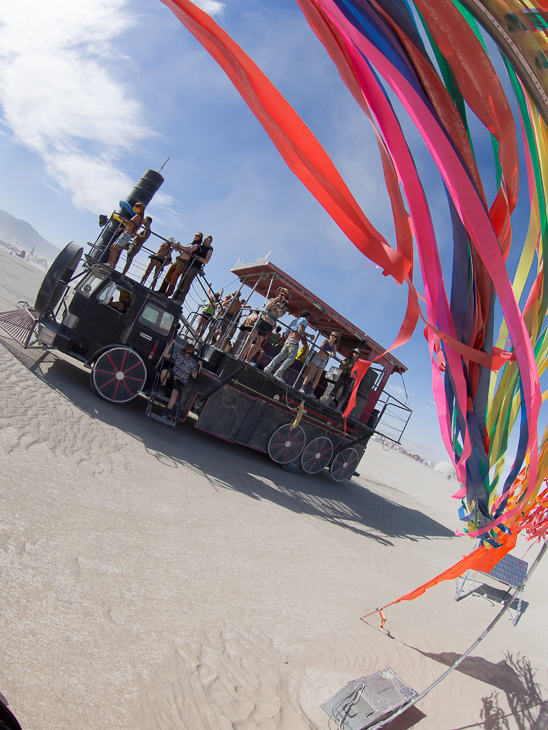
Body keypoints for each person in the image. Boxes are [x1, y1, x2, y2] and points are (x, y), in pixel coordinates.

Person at [242, 288, 290, 363]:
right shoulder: (272, 300)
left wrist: (281, 305)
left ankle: (249, 358)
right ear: (278, 294)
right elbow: (267, 307)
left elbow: (279, 315)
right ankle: (242, 353)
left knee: (259, 341)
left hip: (269, 324)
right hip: (263, 319)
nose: (282, 297)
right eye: (281, 295)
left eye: (284, 296)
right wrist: (276, 300)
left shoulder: (284, 307)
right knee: (252, 337)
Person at [264, 309, 311, 381]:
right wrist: (309, 335)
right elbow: (300, 331)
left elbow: (286, 331)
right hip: (294, 342)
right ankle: (279, 373)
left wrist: (286, 339)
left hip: (288, 340)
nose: (308, 320)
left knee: (280, 356)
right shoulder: (304, 320)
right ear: (307, 317)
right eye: (309, 318)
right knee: (291, 359)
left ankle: (268, 368)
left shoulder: (295, 321)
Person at [159, 340, 202, 419]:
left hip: (181, 380)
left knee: (175, 393)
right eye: (189, 350)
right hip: (173, 374)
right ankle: (162, 388)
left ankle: (167, 412)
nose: (190, 352)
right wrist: (171, 343)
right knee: (164, 372)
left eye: (192, 351)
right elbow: (166, 355)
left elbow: (194, 375)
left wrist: (200, 366)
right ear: (186, 350)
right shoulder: (179, 354)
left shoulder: (193, 363)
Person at [172, 234, 213, 304]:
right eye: (207, 239)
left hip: (195, 266)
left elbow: (206, 261)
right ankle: (174, 297)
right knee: (182, 281)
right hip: (188, 264)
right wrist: (179, 249)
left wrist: (197, 257)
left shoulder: (209, 249)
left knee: (187, 283)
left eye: (210, 240)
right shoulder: (199, 246)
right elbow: (189, 250)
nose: (208, 241)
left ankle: (180, 300)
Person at [158, 233, 203, 297]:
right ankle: (162, 290)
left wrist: (179, 245)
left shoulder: (197, 246)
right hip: (178, 260)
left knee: (174, 276)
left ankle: (168, 293)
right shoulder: (190, 244)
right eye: (196, 235)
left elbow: (188, 250)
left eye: (199, 236)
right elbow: (184, 251)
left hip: (184, 263)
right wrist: (178, 249)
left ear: (200, 238)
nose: (196, 237)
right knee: (168, 274)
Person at [107, 202, 145, 268]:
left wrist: (121, 218)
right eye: (135, 206)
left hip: (127, 234)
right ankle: (109, 263)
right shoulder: (138, 216)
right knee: (112, 247)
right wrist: (123, 228)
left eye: (137, 206)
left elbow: (129, 223)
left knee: (115, 248)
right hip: (125, 233)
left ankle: (111, 265)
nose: (136, 207)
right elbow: (131, 225)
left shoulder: (138, 216)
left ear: (141, 208)